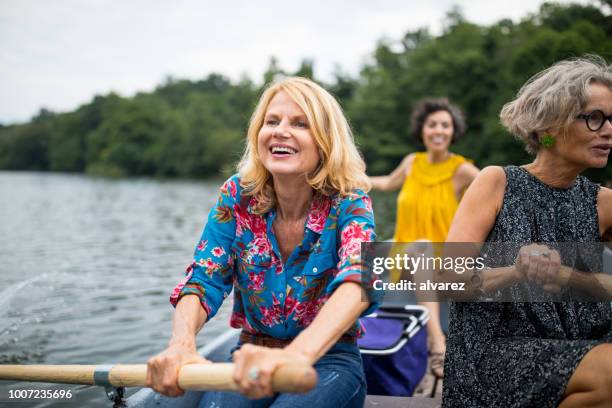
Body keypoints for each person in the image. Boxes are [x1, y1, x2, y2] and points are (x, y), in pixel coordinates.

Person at [145, 77, 379, 407]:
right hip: (251, 354)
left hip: (328, 360)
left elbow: (362, 278)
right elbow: (204, 277)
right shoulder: (236, 196)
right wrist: (181, 344)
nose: (280, 130)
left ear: (326, 141)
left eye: (300, 123)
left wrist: (296, 356)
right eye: (272, 121)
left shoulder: (350, 201)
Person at [443, 56, 612, 407]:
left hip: (584, 347)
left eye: (611, 119)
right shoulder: (496, 182)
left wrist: (566, 275)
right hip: (493, 357)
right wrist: (516, 272)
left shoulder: (604, 203)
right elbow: (446, 279)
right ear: (550, 127)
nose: (608, 130)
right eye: (594, 118)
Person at [369, 98, 479, 378]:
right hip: (411, 258)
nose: (439, 130)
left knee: (426, 249)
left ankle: (437, 343)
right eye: (432, 125)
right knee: (420, 248)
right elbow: (386, 182)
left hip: (450, 263)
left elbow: (496, 197)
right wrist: (351, 178)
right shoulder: (411, 163)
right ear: (422, 130)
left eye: (445, 125)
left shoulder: (462, 170)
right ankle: (436, 339)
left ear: (454, 132)